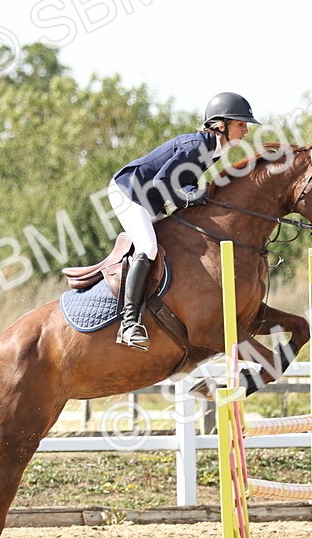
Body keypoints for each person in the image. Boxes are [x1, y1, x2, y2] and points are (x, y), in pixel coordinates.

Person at [109, 92, 259, 350]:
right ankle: (129, 323)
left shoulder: (213, 150)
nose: (246, 130)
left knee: (173, 246)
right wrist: (190, 198)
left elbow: (182, 181)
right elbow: (162, 182)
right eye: (240, 124)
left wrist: (195, 193)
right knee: (148, 248)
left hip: (151, 198)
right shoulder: (197, 146)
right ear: (221, 125)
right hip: (129, 193)